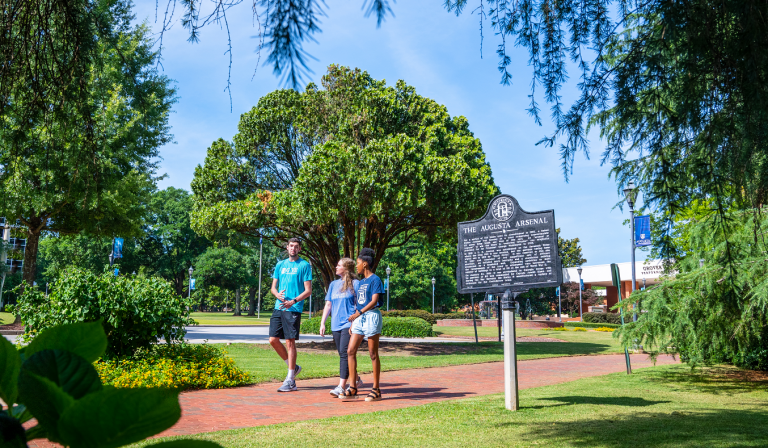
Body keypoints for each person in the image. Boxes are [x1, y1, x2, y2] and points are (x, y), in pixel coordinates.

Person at [340, 248, 384, 402]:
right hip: (359, 318)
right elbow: (360, 303)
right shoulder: (362, 282)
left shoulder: (375, 279)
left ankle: (376, 389)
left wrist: (358, 314)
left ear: (365, 264)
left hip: (371, 316)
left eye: (358, 263)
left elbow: (374, 301)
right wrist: (355, 321)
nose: (356, 266)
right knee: (350, 351)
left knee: (373, 353)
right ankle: (352, 387)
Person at [269, 238, 312, 392]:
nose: (293, 249)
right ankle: (293, 368)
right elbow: (273, 287)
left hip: (293, 308)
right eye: (291, 246)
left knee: (290, 342)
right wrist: (277, 295)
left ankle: (290, 380)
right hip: (278, 306)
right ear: (287, 248)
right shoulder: (280, 265)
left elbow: (308, 290)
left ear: (299, 249)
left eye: (296, 246)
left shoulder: (304, 265)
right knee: (273, 339)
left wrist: (293, 301)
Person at [319, 258, 363, 397]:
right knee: (343, 354)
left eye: (339, 265)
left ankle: (341, 386)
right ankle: (356, 379)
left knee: (344, 354)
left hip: (348, 324)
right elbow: (328, 305)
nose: (336, 267)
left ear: (346, 268)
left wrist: (354, 322)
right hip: (336, 324)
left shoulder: (356, 284)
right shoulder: (333, 284)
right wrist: (322, 322)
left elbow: (360, 305)